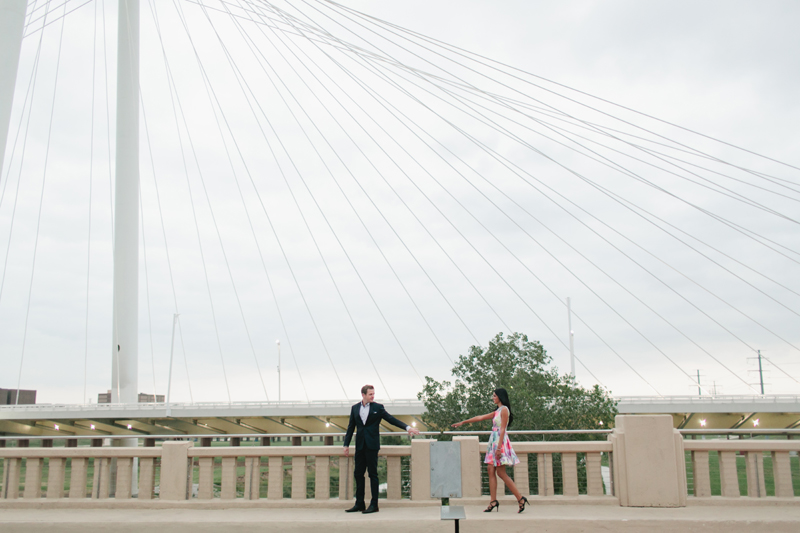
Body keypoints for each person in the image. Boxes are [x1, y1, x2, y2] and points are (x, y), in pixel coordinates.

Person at [343, 384, 420, 514]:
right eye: (370, 394)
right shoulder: (355, 408)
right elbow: (351, 427)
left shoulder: (378, 408)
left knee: (373, 474)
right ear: (363, 395)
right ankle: (359, 503)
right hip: (360, 446)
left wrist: (408, 428)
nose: (373, 396)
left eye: (373, 394)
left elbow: (391, 420)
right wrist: (346, 445)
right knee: (358, 474)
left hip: (372, 446)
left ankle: (374, 505)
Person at [452, 387, 529, 513]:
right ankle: (493, 501)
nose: (493, 398)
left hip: (499, 441)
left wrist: (499, 448)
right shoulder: (497, 411)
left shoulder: (504, 410)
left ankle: (520, 498)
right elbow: (480, 417)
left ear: (500, 396)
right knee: (490, 470)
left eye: (494, 395)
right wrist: (463, 422)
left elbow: (503, 429)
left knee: (501, 473)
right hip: (493, 441)